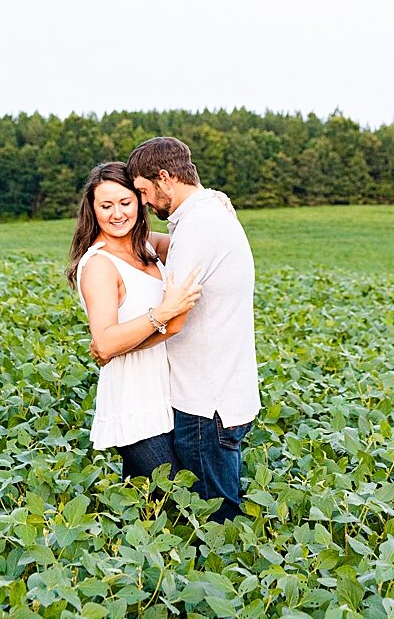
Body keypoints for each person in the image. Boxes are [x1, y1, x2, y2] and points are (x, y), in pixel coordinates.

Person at [124, 136, 260, 523]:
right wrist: (113, 232)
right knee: (214, 512)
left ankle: (221, 582)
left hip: (205, 402)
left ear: (165, 179)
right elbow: (169, 247)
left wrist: (118, 348)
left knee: (215, 523)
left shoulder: (200, 224)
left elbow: (173, 318)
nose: (145, 203)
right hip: (222, 393)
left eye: (144, 192)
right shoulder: (206, 216)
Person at [67, 162, 203, 480]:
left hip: (171, 396)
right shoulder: (100, 264)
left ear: (140, 201)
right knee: (177, 499)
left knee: (146, 511)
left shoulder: (147, 245)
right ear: (92, 209)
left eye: (125, 202)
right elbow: (105, 342)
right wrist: (164, 313)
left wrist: (211, 202)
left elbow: (199, 239)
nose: (117, 214)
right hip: (135, 402)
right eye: (106, 205)